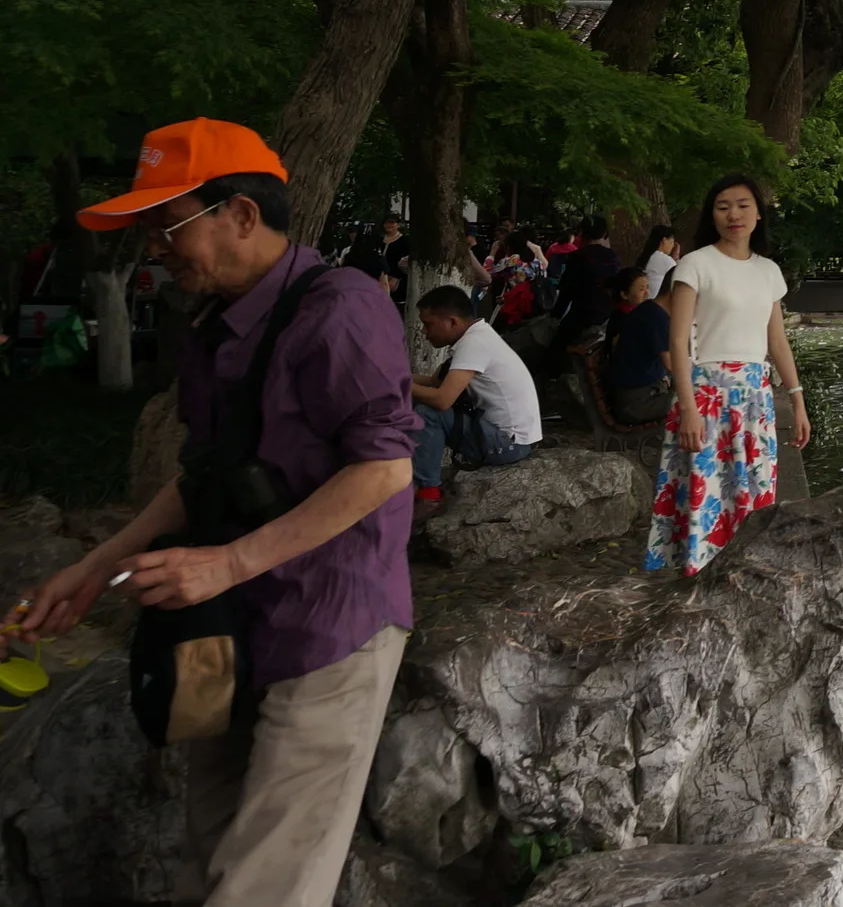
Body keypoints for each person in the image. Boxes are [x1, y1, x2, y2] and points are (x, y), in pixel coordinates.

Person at [11, 118, 413, 907]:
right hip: (224, 625)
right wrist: (96, 566)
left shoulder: (342, 308)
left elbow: (385, 469)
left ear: (239, 214)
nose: (155, 246)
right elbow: (205, 472)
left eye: (167, 225)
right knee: (207, 855)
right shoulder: (209, 321)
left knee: (264, 883)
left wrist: (226, 561)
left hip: (328, 624)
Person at [644, 175, 811, 576]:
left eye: (742, 205)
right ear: (712, 216)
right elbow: (679, 339)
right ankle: (698, 578)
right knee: (706, 493)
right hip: (705, 396)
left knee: (753, 491)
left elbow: (777, 340)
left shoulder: (768, 271)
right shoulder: (696, 264)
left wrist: (798, 400)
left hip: (755, 398)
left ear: (758, 214)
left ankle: (746, 574)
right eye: (723, 207)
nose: (733, 214)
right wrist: (687, 407)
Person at [408, 287, 542, 501]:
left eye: (428, 324)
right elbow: (435, 382)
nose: (424, 332)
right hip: (508, 437)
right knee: (421, 401)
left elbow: (442, 400)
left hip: (509, 444)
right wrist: (394, 378)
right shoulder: (476, 336)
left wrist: (395, 386)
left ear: (452, 322)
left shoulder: (474, 343)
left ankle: (428, 494)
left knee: (428, 413)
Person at [602, 269, 673, 424]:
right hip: (637, 403)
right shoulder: (655, 317)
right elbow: (672, 365)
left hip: (640, 395)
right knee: (697, 399)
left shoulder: (650, 310)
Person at [548, 213, 618, 349]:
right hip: (607, 316)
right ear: (604, 233)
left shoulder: (577, 256)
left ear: (582, 233)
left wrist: (555, 315)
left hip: (582, 316)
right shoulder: (612, 256)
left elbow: (567, 290)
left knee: (555, 349)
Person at [633, 224, 681, 298]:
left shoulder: (649, 256)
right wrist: (676, 257)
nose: (673, 245)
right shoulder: (664, 259)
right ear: (664, 240)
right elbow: (680, 275)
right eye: (672, 242)